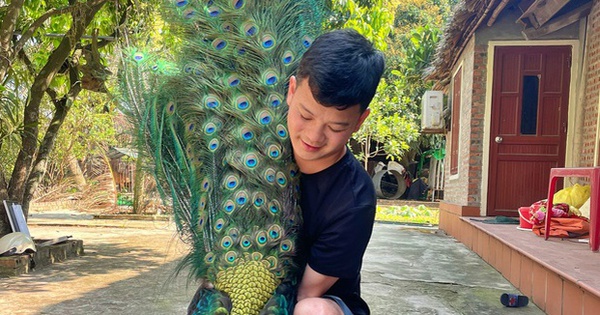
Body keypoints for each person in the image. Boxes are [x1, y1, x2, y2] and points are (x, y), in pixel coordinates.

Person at [286, 28, 385, 315]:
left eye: (336, 127)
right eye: (305, 115)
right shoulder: (257, 150)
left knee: (310, 310)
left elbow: (305, 292)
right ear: (291, 91)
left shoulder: (355, 201)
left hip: (324, 301)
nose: (314, 137)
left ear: (359, 121)